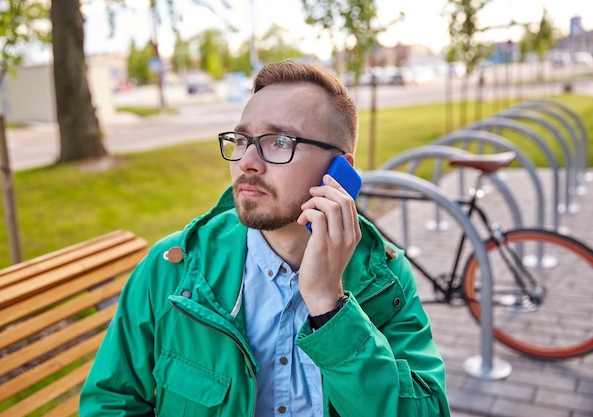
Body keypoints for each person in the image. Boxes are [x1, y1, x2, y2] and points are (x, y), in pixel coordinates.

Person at [79, 60, 450, 416]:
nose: (246, 162)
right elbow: (111, 402)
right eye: (241, 139)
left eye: (279, 141)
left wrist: (330, 307)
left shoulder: (385, 279)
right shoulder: (174, 270)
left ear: (340, 171)